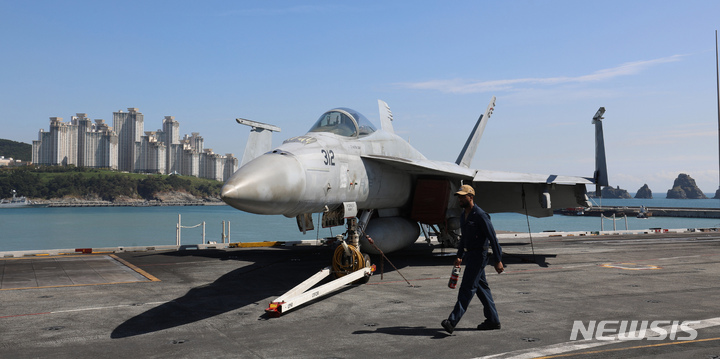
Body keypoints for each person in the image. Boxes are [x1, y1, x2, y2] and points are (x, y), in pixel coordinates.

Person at [442, 184, 504, 334]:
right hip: (470, 255)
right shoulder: (464, 215)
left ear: (471, 197)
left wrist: (498, 259)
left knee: (467, 288)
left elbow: (492, 238)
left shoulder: (481, 215)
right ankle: (493, 320)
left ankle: (452, 321)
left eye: (463, 196)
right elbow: (464, 239)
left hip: (479, 256)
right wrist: (459, 256)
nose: (460, 199)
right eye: (459, 197)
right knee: (482, 289)